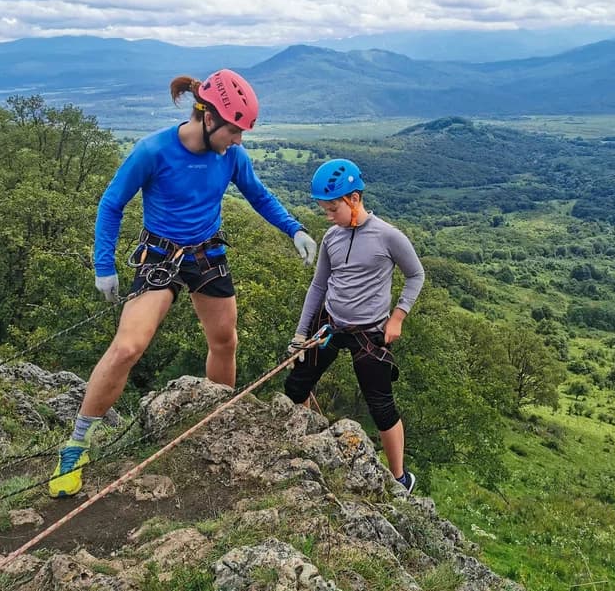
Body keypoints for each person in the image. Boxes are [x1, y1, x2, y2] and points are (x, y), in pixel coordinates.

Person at [49, 69, 317, 497]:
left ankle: (218, 417)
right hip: (161, 255)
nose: (239, 140)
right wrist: (105, 266)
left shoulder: (231, 157)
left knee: (225, 341)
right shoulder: (153, 151)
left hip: (207, 254)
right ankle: (76, 445)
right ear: (208, 117)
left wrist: (294, 230)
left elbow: (259, 196)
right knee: (128, 347)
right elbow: (111, 203)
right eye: (234, 130)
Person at [285, 158, 424, 493]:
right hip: (330, 325)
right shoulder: (332, 237)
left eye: (333, 210)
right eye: (326, 211)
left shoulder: (388, 236)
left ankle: (400, 479)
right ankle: (307, 446)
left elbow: (415, 275)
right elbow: (318, 286)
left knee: (381, 406)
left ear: (354, 199)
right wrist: (301, 334)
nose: (329, 217)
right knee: (295, 387)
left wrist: (398, 317)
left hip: (370, 333)